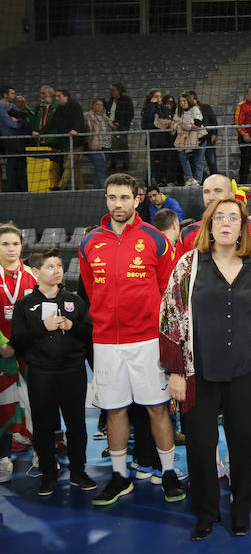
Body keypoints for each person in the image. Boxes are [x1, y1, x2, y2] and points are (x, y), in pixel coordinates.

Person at [160, 197, 251, 540]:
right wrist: (176, 371)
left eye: (233, 218)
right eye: (219, 217)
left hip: (246, 370)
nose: (226, 223)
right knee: (200, 444)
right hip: (200, 372)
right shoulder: (188, 265)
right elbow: (170, 317)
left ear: (242, 227)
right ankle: (206, 513)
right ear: (209, 224)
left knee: (243, 443)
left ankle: (241, 510)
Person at [79, 173, 184, 507]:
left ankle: (167, 472)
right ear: (106, 199)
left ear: (137, 199)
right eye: (112, 197)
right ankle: (120, 476)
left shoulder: (155, 239)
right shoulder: (89, 242)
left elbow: (171, 294)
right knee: (114, 411)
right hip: (107, 342)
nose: (117, 204)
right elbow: (91, 289)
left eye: (124, 197)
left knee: (157, 408)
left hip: (148, 341)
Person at [10, 249, 94, 496]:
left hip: (72, 371)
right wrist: (42, 327)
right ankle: (48, 474)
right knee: (44, 425)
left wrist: (73, 326)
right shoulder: (25, 305)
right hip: (40, 373)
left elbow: (89, 334)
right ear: (35, 272)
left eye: (59, 265)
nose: (57, 270)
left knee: (76, 424)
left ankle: (79, 471)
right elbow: (18, 341)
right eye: (50, 266)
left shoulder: (75, 301)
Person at [0, 223, 39, 482]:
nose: (11, 249)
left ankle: (42, 452)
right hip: (1, 352)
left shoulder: (33, 276)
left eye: (15, 244)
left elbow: (41, 313)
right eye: (5, 244)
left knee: (38, 402)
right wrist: (3, 344)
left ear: (22, 246)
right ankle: (3, 459)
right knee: (3, 405)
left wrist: (21, 343)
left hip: (30, 351)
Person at [38, 89, 85, 190]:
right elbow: (52, 123)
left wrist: (75, 130)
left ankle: (60, 187)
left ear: (66, 96)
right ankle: (82, 188)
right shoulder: (59, 110)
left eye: (59, 96)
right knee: (74, 167)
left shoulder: (75, 106)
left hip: (76, 143)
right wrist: (40, 132)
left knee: (68, 165)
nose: (57, 98)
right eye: (56, 96)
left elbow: (79, 120)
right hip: (66, 143)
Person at [172, 93, 206, 187]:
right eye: (180, 102)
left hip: (199, 138)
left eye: (184, 101)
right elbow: (174, 124)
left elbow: (197, 123)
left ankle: (197, 181)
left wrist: (182, 125)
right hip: (184, 138)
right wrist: (179, 125)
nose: (182, 103)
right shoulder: (178, 111)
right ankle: (189, 178)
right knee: (182, 155)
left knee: (198, 161)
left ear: (188, 101)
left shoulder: (195, 109)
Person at [0, 85, 30, 192]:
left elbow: (26, 120)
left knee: (21, 164)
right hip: (8, 139)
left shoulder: (12, 106)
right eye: (12, 93)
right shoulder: (1, 106)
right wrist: (17, 121)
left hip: (18, 139)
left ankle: (22, 189)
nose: (14, 95)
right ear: (5, 94)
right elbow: (10, 123)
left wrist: (18, 120)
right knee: (12, 164)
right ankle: (12, 189)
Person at [140, 89, 172, 186]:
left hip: (165, 139)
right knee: (153, 161)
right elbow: (145, 124)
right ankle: (150, 180)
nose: (159, 98)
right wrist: (152, 105)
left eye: (160, 96)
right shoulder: (147, 108)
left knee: (164, 161)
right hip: (153, 140)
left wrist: (159, 122)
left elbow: (168, 120)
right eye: (156, 96)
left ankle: (161, 180)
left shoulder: (164, 108)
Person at [82, 97, 113, 189]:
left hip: (106, 145)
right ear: (93, 105)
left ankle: (96, 189)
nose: (99, 107)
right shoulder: (87, 116)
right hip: (94, 145)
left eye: (101, 105)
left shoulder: (104, 116)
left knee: (100, 168)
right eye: (97, 104)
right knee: (101, 167)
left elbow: (111, 126)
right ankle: (105, 189)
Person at [104, 83, 133, 172]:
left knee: (122, 144)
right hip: (111, 125)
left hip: (122, 126)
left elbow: (130, 114)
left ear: (119, 91)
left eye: (113, 90)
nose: (111, 92)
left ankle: (125, 164)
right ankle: (113, 163)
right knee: (112, 145)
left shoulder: (126, 100)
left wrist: (120, 123)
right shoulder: (111, 100)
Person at [234, 86, 251, 184]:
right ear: (246, 94)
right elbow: (237, 122)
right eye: (250, 92)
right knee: (245, 162)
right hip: (246, 139)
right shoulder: (241, 106)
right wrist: (244, 134)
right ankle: (242, 183)